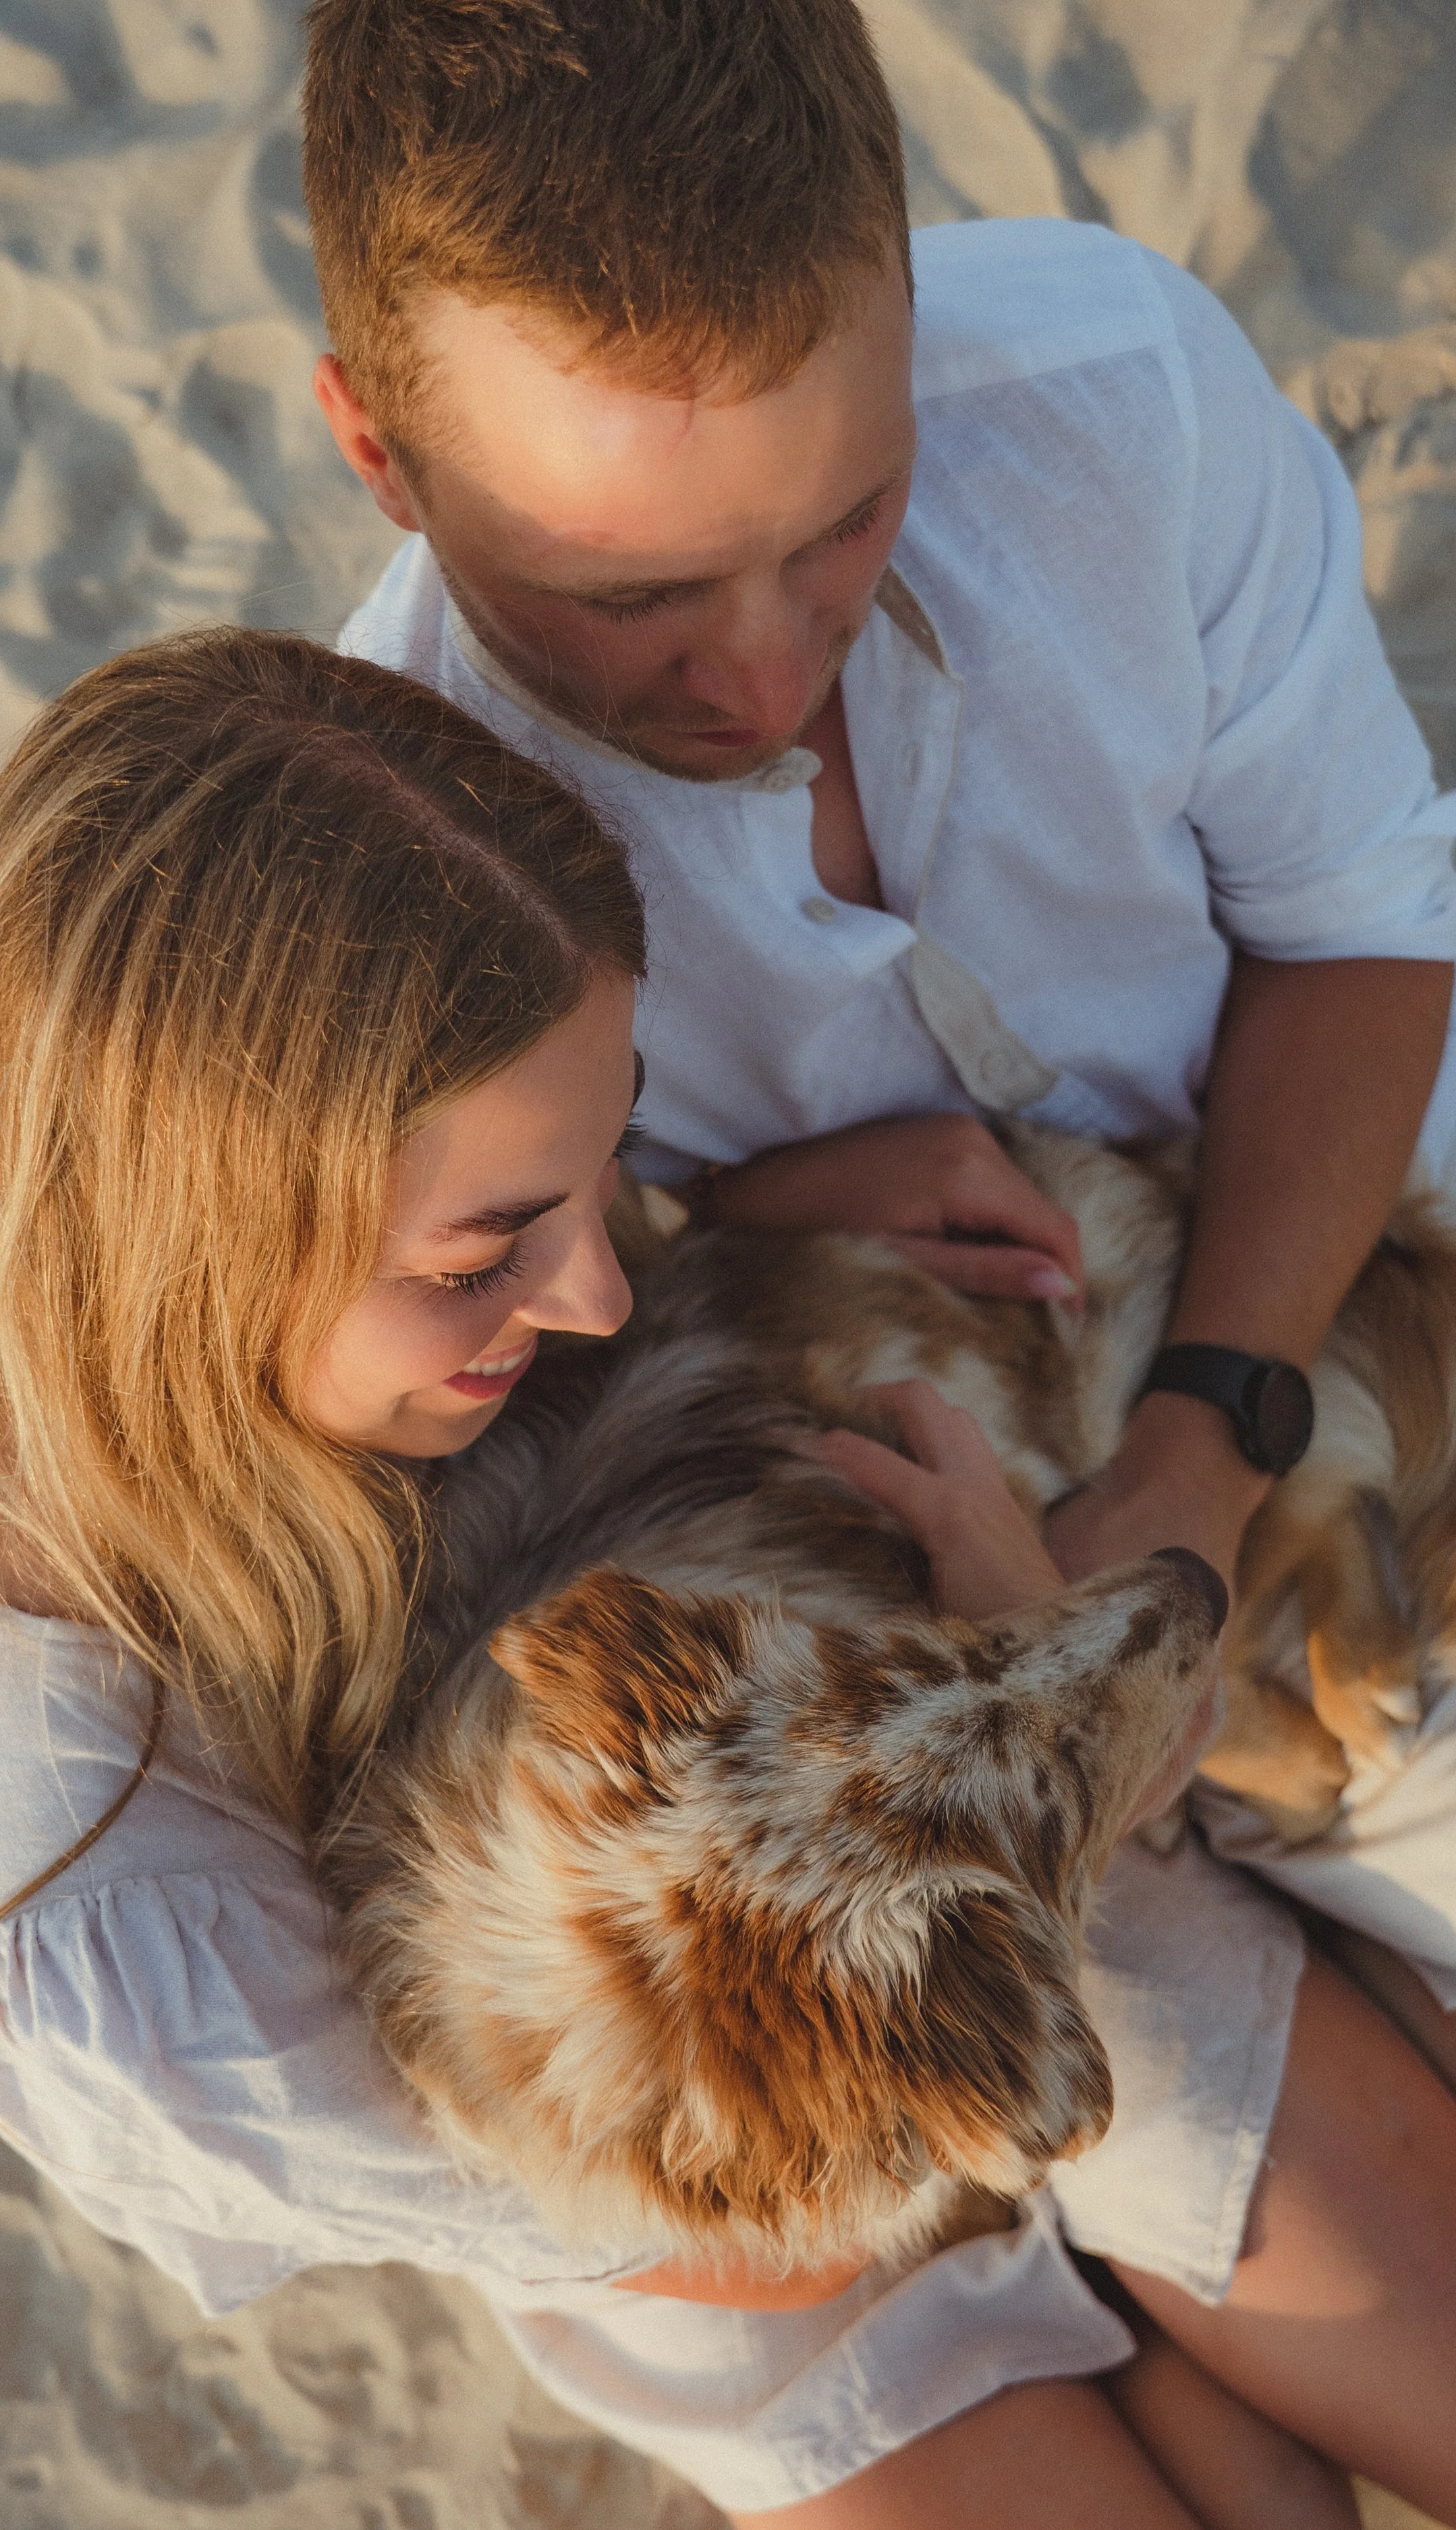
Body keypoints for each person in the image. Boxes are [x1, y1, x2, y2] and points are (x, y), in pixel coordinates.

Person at [302, 0, 1456, 2517]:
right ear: (372, 443)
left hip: (1357, 1158)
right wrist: (720, 1215)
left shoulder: (1112, 391)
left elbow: (1360, 948)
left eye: (839, 519)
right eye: (631, 595)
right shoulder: (396, 851)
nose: (759, 662)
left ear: (914, 310)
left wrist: (1206, 1429)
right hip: (993, 1570)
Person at [0, 624, 1351, 2530]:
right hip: (684, 2197)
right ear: (190, 1243)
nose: (593, 1300)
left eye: (598, 1167)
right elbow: (712, 2237)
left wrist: (736, 1209)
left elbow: (563, 1261)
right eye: (491, 1254)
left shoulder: (218, 1273)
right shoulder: (102, 1906)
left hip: (870, 1857)